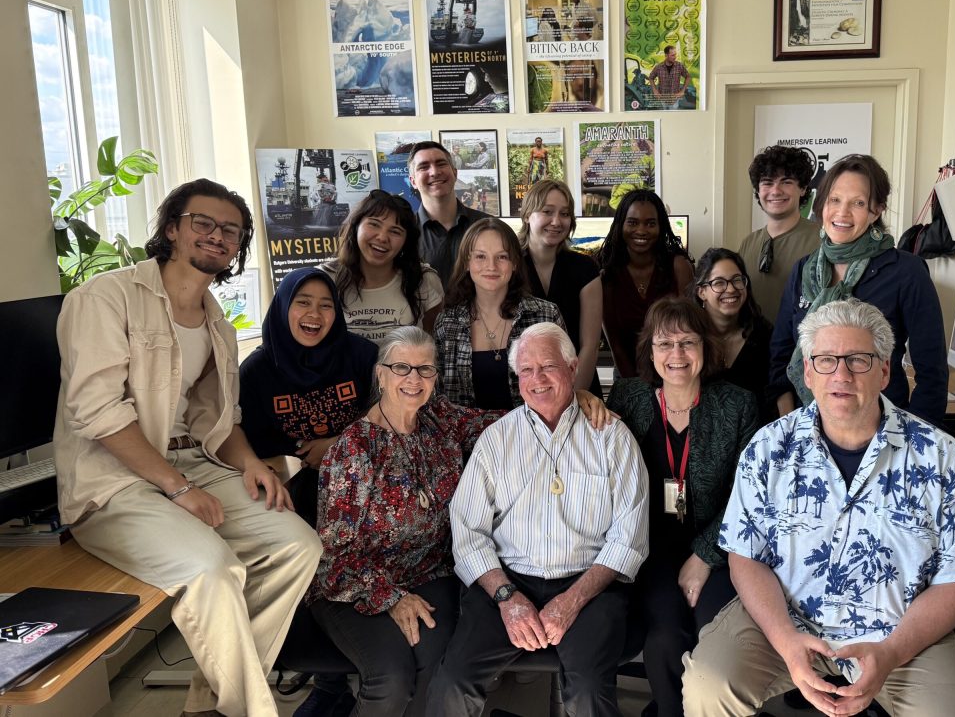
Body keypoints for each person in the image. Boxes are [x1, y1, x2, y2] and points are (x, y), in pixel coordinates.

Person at [53, 178, 321, 717]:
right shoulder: (104, 298)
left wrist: (250, 465)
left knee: (298, 546)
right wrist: (177, 489)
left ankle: (210, 702)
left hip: (190, 465)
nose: (217, 236)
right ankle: (248, 710)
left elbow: (213, 419)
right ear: (172, 228)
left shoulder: (216, 322)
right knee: (210, 569)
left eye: (231, 230)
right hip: (115, 482)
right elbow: (96, 412)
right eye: (204, 223)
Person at [682, 299, 955, 717]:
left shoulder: (940, 456)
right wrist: (785, 642)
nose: (842, 374)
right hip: (787, 619)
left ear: (885, 371)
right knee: (710, 684)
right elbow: (746, 554)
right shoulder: (768, 448)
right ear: (808, 373)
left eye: (858, 360)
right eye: (827, 360)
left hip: (903, 633)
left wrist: (890, 652)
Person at [428, 323, 649, 717]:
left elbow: (628, 538)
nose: (537, 379)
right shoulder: (496, 440)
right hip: (508, 584)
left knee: (589, 690)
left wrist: (572, 600)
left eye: (548, 366)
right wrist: (506, 597)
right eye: (526, 370)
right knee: (453, 683)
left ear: (572, 366)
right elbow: (468, 533)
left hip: (589, 584)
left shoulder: (611, 436)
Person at [306, 327, 501, 717]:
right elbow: (333, 557)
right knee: (391, 677)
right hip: (352, 584)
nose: (414, 379)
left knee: (440, 665)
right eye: (401, 367)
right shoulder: (353, 451)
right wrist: (392, 598)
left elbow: (505, 423)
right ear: (380, 374)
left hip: (429, 572)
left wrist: (571, 398)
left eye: (425, 369)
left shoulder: (440, 417)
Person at [607, 297, 758, 717]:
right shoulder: (626, 397)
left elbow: (751, 497)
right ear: (649, 351)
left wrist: (705, 556)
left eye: (687, 342)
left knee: (716, 640)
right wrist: (586, 398)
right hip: (650, 551)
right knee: (664, 638)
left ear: (705, 347)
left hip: (721, 550)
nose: (676, 355)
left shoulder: (738, 405)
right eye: (664, 343)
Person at [238, 267, 376, 716]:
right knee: (302, 565)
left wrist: (338, 445)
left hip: (362, 484)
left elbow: (392, 414)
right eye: (303, 302)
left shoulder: (362, 355)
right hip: (294, 489)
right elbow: (248, 448)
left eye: (326, 304)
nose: (314, 313)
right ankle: (330, 681)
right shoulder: (257, 370)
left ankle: (372, 669)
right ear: (283, 307)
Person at [767, 153, 949, 426]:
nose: (842, 213)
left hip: (882, 426)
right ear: (822, 205)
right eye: (835, 200)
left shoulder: (906, 272)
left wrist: (912, 442)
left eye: (858, 203)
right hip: (808, 423)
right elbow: (780, 355)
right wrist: (792, 425)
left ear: (876, 210)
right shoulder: (803, 271)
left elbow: (932, 372)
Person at [434, 217, 566, 410]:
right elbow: (439, 397)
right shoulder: (447, 322)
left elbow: (564, 384)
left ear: (514, 263)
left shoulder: (546, 315)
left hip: (533, 435)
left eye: (502, 256)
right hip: (467, 438)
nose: (491, 266)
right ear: (466, 263)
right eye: (480, 256)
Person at [322, 190, 444, 345]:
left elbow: (433, 343)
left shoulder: (424, 280)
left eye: (395, 231)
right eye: (374, 224)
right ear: (356, 226)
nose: (382, 237)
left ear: (406, 241)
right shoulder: (325, 279)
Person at [518, 179, 603, 395]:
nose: (556, 221)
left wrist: (571, 398)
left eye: (564, 214)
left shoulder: (585, 268)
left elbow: (590, 345)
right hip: (527, 389)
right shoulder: (509, 266)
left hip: (579, 386)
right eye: (547, 211)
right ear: (528, 215)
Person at [598, 189, 694, 378]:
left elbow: (688, 332)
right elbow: (615, 342)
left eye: (650, 223)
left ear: (661, 227)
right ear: (620, 225)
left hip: (674, 370)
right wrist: (635, 387)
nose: (641, 231)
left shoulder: (679, 267)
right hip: (626, 372)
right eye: (633, 223)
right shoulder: (606, 273)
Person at [690, 248, 776, 424]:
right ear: (701, 292)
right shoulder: (687, 339)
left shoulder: (764, 335)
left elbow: (776, 392)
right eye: (719, 283)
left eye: (737, 280)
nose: (730, 289)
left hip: (756, 437)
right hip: (701, 436)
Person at [737, 145, 820, 322]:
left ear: (803, 188)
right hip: (752, 345)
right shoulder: (748, 243)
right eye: (767, 182)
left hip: (800, 346)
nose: (775, 191)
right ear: (758, 191)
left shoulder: (821, 241)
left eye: (786, 182)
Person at [408, 140, 488, 288]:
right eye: (424, 167)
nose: (434, 172)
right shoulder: (405, 232)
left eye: (441, 164)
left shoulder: (486, 226)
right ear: (413, 181)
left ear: (455, 173)